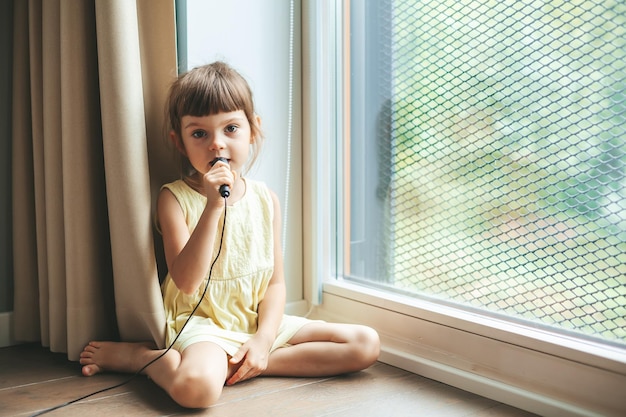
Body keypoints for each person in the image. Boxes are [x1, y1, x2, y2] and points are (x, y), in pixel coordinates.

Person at [79, 61, 380, 409]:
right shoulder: (173, 198)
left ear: (253, 131)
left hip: (253, 322)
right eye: (199, 133)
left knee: (364, 344)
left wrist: (264, 341)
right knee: (196, 391)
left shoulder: (266, 199)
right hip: (204, 326)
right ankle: (145, 360)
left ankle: (247, 363)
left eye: (231, 128)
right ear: (179, 142)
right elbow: (188, 282)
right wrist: (212, 207)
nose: (216, 144)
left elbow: (275, 285)